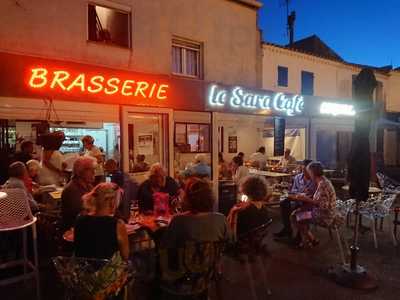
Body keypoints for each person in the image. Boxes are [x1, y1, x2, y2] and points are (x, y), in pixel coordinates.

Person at [163, 177, 228, 248]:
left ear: (188, 198)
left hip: (184, 259)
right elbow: (230, 240)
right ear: (210, 197)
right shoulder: (221, 219)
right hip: (214, 259)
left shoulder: (178, 221)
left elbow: (166, 245)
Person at [74, 182, 129, 260]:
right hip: (108, 271)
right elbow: (125, 256)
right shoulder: (117, 224)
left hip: (84, 270)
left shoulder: (80, 220)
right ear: (112, 201)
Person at [291, 162, 340, 248]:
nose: (308, 175)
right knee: (300, 212)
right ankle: (311, 240)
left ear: (313, 173)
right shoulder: (323, 181)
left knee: (295, 216)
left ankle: (307, 241)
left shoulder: (322, 185)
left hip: (325, 216)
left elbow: (323, 205)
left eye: (309, 172)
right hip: (327, 213)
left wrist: (306, 199)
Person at [274, 159, 316, 240]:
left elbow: (313, 195)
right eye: (303, 169)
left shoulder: (314, 180)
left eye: (306, 170)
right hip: (297, 199)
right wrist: (300, 192)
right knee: (284, 203)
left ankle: (299, 235)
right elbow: (293, 190)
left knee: (300, 208)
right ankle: (287, 228)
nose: (304, 172)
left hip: (309, 203)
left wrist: (302, 194)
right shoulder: (298, 177)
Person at [61, 157, 96, 230]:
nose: (93, 172)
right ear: (79, 172)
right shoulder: (72, 189)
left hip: (88, 224)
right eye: (89, 169)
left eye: (94, 169)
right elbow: (81, 213)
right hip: (76, 229)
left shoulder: (88, 186)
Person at [104, 159, 138, 223]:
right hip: (125, 200)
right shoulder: (123, 174)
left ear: (111, 166)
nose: (106, 169)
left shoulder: (113, 175)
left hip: (119, 200)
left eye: (106, 167)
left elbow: (112, 189)